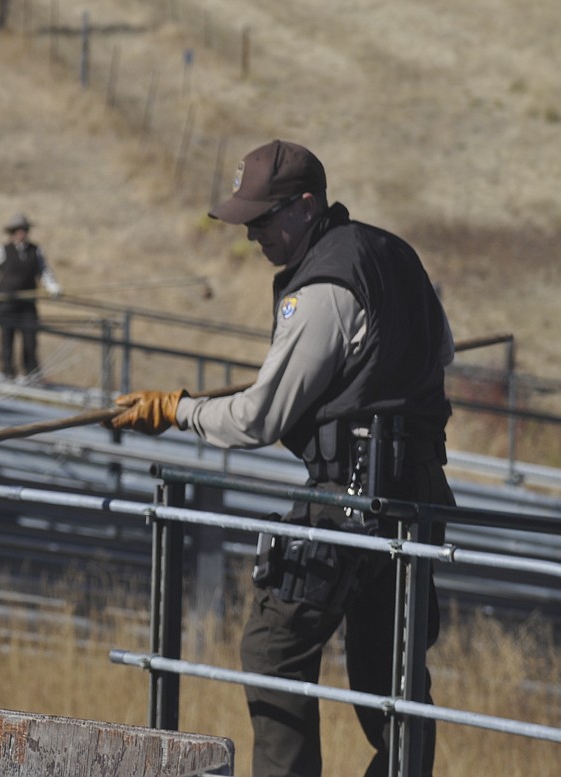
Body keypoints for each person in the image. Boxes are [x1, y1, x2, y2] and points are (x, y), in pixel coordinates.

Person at [107, 140, 455, 777]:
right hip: (419, 497)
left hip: (352, 496)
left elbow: (256, 417)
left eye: (262, 221)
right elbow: (443, 353)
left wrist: (175, 409)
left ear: (305, 204)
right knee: (393, 679)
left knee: (274, 646)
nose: (253, 237)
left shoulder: (322, 285)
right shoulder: (396, 255)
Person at [0, 214, 62, 381]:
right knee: (7, 340)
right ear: (12, 233)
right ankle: (8, 374)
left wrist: (52, 286)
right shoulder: (2, 250)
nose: (23, 233)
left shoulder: (35, 250)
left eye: (25, 230)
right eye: (19, 230)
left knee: (30, 341)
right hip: (7, 303)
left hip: (27, 304)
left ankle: (32, 375)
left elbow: (44, 271)